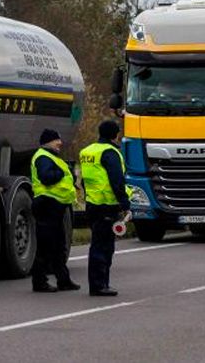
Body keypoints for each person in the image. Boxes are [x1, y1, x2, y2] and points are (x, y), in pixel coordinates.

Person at [79, 120, 131, 297]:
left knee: (97, 245)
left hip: (92, 204)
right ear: (115, 134)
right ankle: (100, 285)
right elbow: (117, 181)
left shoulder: (87, 151)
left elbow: (85, 180)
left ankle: (98, 283)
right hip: (107, 206)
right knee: (104, 248)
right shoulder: (110, 152)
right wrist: (125, 203)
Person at [30, 128, 79, 293]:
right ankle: (39, 282)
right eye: (57, 140)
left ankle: (63, 280)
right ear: (48, 141)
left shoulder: (52, 157)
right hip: (47, 205)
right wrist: (61, 173)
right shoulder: (43, 157)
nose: (60, 143)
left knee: (59, 246)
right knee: (45, 246)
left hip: (55, 206)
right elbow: (46, 177)